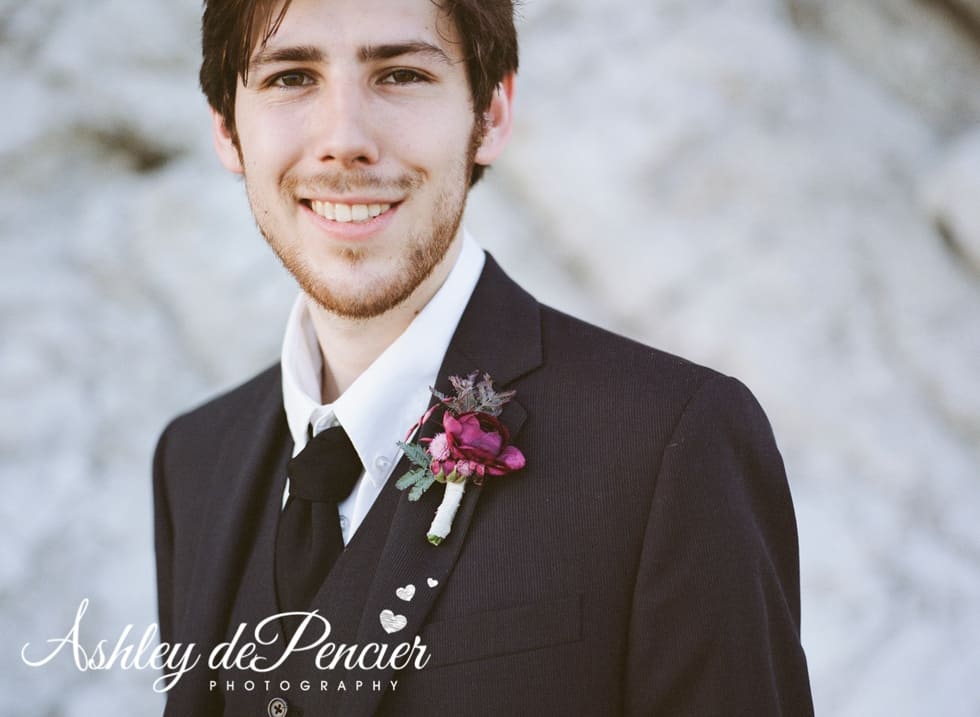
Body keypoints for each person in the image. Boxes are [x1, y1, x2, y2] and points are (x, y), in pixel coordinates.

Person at [152, 0, 815, 714]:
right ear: (226, 125)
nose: (344, 139)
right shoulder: (192, 460)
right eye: (290, 77)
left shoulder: (674, 443)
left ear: (491, 113)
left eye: (401, 74)